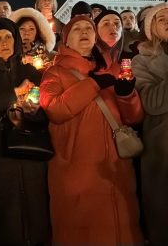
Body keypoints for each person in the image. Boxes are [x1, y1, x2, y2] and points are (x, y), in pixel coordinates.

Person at [40, 15, 144, 245]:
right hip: (78, 171)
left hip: (116, 170)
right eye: (77, 29)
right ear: (66, 40)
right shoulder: (54, 73)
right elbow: (55, 109)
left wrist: (127, 94)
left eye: (88, 28)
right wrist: (94, 84)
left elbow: (134, 117)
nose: (84, 31)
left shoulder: (112, 69)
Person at [0, 18, 51, 245]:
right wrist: (15, 93)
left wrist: (34, 108)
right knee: (4, 213)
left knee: (34, 208)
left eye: (8, 37)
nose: (5, 42)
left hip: (30, 150)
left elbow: (43, 106)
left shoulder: (27, 69)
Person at [132, 2, 168, 245]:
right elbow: (151, 102)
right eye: (161, 19)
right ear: (151, 28)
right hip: (162, 149)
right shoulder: (141, 60)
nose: (167, 21)